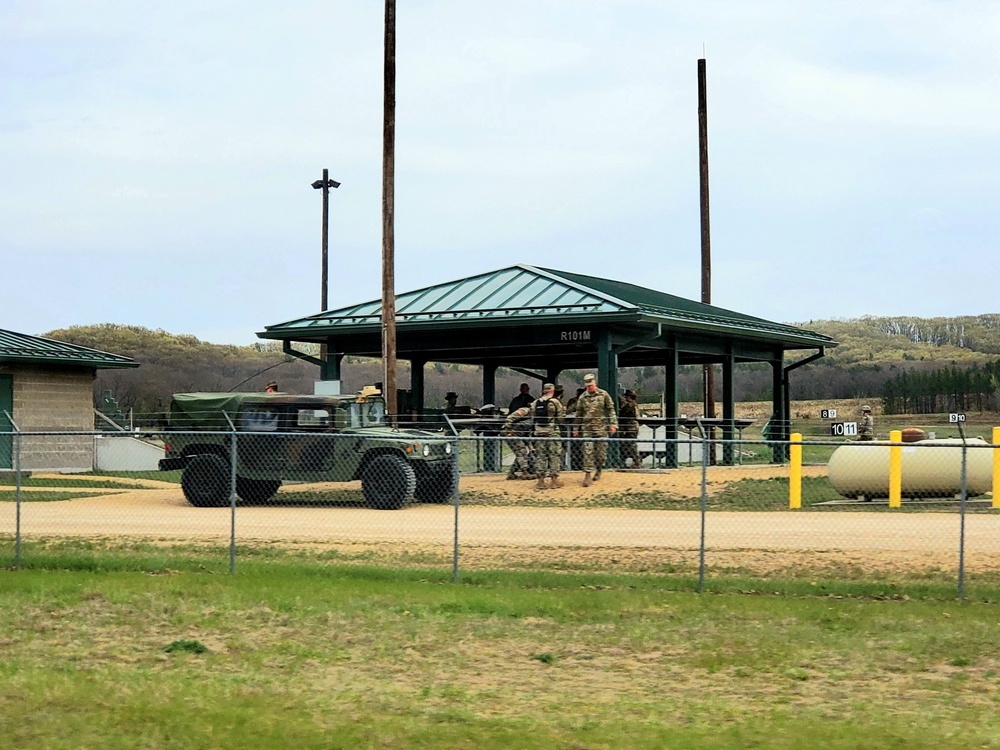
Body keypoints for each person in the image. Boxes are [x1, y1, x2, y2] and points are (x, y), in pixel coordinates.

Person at [505, 383, 565, 489]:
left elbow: (533, 417)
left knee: (540, 457)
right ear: (552, 391)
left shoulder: (535, 403)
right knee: (554, 455)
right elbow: (561, 419)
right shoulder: (555, 402)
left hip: (539, 434)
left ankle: (541, 481)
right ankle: (554, 480)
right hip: (552, 434)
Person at [572, 374, 618, 486]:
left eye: (591, 386)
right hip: (587, 429)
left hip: (601, 429)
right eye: (588, 386)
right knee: (587, 452)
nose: (590, 388)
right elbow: (579, 414)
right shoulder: (583, 397)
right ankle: (587, 475)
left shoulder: (603, 394)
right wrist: (575, 429)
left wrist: (613, 424)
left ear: (595, 384)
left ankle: (599, 470)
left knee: (600, 454)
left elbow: (611, 409)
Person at [501, 407, 536, 480]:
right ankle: (525, 472)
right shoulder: (525, 411)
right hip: (511, 433)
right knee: (521, 451)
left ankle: (512, 473)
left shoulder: (535, 417)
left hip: (519, 434)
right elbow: (509, 418)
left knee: (520, 453)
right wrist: (508, 430)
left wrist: (530, 447)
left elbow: (527, 433)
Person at [618, 389, 641, 469]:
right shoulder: (635, 405)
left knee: (631, 445)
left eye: (626, 396)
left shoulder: (630, 405)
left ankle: (637, 462)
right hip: (632, 427)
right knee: (627, 445)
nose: (625, 398)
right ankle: (634, 461)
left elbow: (622, 414)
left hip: (630, 428)